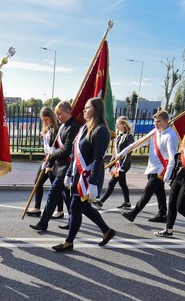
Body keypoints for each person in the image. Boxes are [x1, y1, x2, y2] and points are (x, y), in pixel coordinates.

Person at [52, 97, 116, 252]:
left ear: (96, 109)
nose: (84, 110)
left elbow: (97, 158)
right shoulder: (84, 128)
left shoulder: (101, 131)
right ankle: (107, 231)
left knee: (75, 207)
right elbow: (75, 155)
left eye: (87, 107)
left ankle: (68, 242)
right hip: (78, 174)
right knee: (84, 207)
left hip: (89, 177)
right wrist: (69, 173)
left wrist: (93, 182)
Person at [29, 100, 79, 232]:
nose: (58, 117)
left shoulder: (73, 126)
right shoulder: (63, 126)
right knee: (67, 197)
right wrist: (48, 161)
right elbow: (54, 147)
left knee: (53, 195)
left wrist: (52, 153)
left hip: (67, 167)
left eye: (60, 114)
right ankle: (72, 221)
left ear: (68, 112)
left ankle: (43, 223)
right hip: (58, 165)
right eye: (56, 114)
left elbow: (66, 150)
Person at [121, 110, 176, 224]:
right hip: (152, 167)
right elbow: (140, 142)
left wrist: (168, 173)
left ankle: (133, 213)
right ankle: (162, 214)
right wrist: (125, 151)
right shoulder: (155, 132)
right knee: (159, 192)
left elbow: (172, 157)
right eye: (155, 121)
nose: (156, 124)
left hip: (160, 170)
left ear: (166, 121)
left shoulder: (170, 135)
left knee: (148, 191)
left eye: (159, 121)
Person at [27, 107, 61, 217]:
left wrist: (50, 160)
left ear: (52, 117)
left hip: (54, 161)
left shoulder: (57, 129)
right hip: (46, 159)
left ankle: (59, 210)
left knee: (55, 187)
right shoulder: (47, 129)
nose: (44, 122)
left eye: (46, 119)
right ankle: (37, 208)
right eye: (43, 120)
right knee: (38, 182)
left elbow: (58, 147)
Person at [97, 116, 134, 209]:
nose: (117, 126)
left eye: (118, 124)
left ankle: (101, 202)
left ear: (124, 125)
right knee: (123, 184)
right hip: (118, 164)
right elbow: (115, 153)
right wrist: (110, 165)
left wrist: (122, 167)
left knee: (111, 183)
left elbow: (128, 153)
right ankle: (127, 203)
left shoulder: (129, 137)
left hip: (124, 164)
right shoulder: (120, 136)